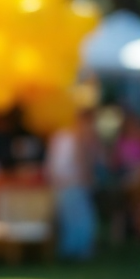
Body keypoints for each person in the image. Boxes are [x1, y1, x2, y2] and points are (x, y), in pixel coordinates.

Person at [46, 110, 98, 260]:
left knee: (71, 220)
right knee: (80, 219)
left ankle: (72, 251)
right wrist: (87, 178)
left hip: (64, 183)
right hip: (73, 183)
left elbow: (51, 163)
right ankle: (76, 251)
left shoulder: (61, 136)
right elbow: (81, 161)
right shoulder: (76, 137)